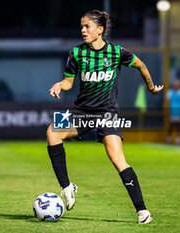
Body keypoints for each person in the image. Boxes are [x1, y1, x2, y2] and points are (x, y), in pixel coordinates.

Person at [47, 10, 163, 224]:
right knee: (52, 133)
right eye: (81, 27)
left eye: (87, 26)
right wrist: (59, 85)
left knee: (118, 159)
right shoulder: (77, 53)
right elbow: (68, 82)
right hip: (82, 112)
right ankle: (66, 187)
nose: (83, 30)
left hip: (107, 113)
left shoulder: (117, 52)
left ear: (100, 30)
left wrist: (151, 87)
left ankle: (142, 211)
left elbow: (141, 65)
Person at [166, 78, 180, 145]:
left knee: (179, 127)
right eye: (176, 84)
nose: (177, 85)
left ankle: (178, 141)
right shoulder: (170, 92)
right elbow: (168, 103)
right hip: (172, 112)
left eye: (178, 84)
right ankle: (168, 140)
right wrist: (168, 113)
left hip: (179, 112)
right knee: (171, 126)